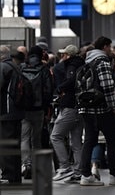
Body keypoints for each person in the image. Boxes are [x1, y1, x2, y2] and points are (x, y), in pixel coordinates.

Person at [77, 36, 115, 186]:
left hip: (87, 107)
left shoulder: (87, 60)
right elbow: (107, 87)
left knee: (89, 141)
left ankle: (85, 175)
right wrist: (113, 107)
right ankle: (114, 175)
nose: (111, 50)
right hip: (102, 109)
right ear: (105, 47)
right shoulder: (102, 61)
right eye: (110, 47)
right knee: (112, 141)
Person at [50, 44, 85, 181]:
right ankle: (79, 170)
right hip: (79, 106)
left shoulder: (71, 66)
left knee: (56, 136)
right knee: (76, 142)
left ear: (69, 55)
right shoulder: (82, 64)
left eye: (64, 54)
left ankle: (64, 167)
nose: (62, 57)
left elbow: (70, 81)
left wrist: (60, 88)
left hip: (69, 106)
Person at [20, 45, 53, 179]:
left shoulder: (21, 67)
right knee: (36, 138)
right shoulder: (44, 69)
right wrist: (46, 108)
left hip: (24, 109)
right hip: (38, 109)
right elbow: (48, 90)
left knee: (24, 137)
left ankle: (26, 164)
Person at [0, 46, 26, 184]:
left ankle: (7, 175)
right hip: (17, 111)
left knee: (5, 144)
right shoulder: (16, 66)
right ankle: (15, 176)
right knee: (15, 144)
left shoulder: (3, 67)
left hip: (6, 111)